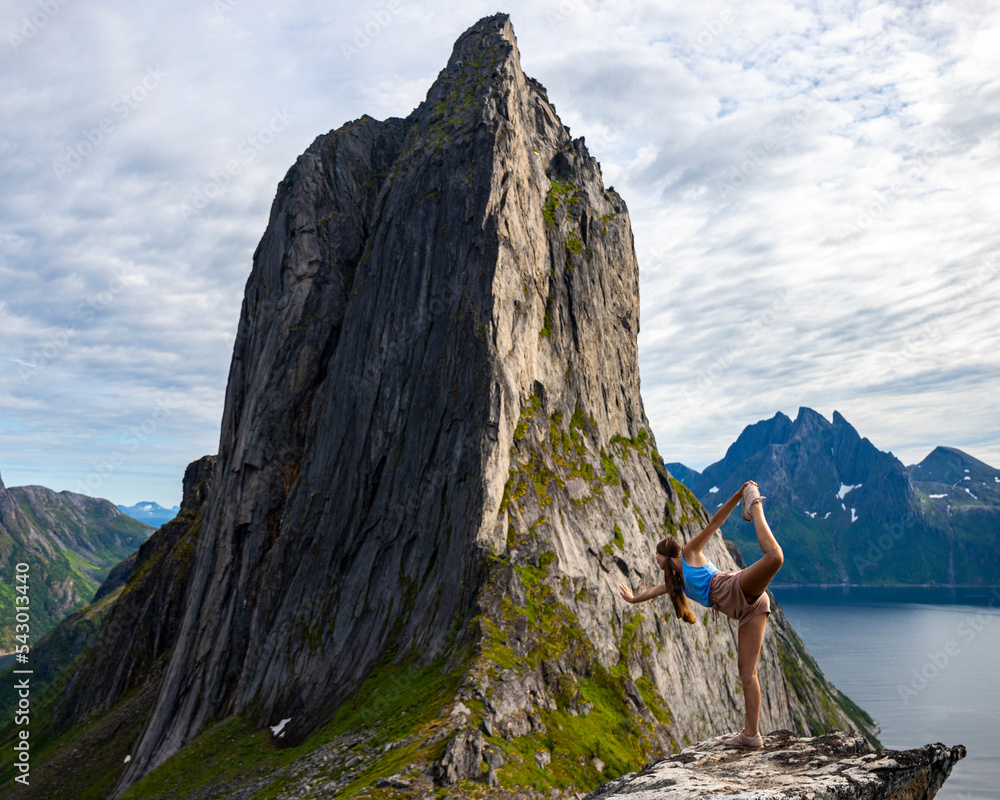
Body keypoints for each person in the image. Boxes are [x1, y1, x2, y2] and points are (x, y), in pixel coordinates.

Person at [618, 480, 783, 749]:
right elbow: (655, 591)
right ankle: (751, 736)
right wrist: (634, 598)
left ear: (664, 554)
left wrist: (739, 494)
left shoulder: (689, 553)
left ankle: (755, 504)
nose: (655, 560)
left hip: (731, 587)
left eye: (656, 556)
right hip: (746, 609)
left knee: (774, 557)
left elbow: (715, 523)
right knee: (746, 673)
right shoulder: (677, 582)